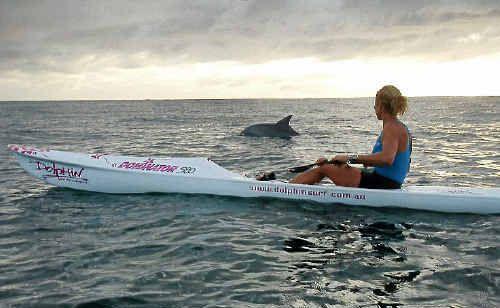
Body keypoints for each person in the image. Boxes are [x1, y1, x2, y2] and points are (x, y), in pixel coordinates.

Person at [290, 85, 412, 189]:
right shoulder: (399, 127)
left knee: (324, 168)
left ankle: (287, 189)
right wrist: (341, 162)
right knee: (330, 166)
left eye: (375, 105)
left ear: (382, 106)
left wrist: (351, 158)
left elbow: (387, 159)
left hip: (383, 183)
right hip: (387, 181)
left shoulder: (392, 128)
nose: (374, 108)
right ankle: (292, 187)